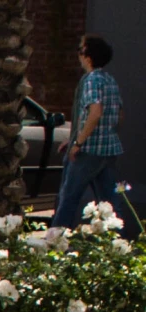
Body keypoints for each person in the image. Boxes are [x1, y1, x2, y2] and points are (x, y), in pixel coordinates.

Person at [55, 34, 125, 229]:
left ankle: (55, 241)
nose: (78, 54)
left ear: (88, 56)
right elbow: (119, 115)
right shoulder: (110, 80)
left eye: (80, 50)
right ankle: (115, 243)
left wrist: (78, 143)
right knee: (109, 202)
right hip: (109, 150)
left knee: (68, 198)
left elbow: (94, 112)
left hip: (88, 150)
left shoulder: (91, 80)